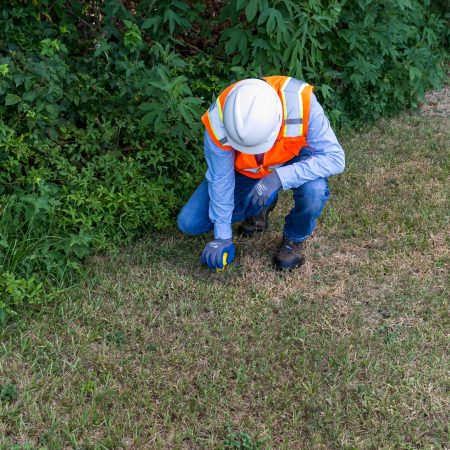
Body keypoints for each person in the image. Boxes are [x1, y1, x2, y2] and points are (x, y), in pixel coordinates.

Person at [177, 76, 345, 270]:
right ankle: (261, 206)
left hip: (295, 156)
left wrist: (278, 177)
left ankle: (293, 240)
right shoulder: (219, 119)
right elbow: (221, 180)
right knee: (190, 223)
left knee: (314, 191)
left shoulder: (301, 101)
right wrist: (222, 236)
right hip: (247, 173)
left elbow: (335, 158)